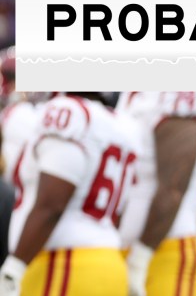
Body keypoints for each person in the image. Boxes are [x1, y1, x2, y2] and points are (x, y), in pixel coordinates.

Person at [0, 92, 139, 296]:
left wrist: (13, 270)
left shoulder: (69, 112)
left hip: (63, 266)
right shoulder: (122, 123)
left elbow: (52, 204)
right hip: (108, 261)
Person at [116, 92, 196, 296]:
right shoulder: (130, 92)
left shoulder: (178, 90)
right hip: (122, 251)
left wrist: (140, 259)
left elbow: (174, 188)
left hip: (167, 253)